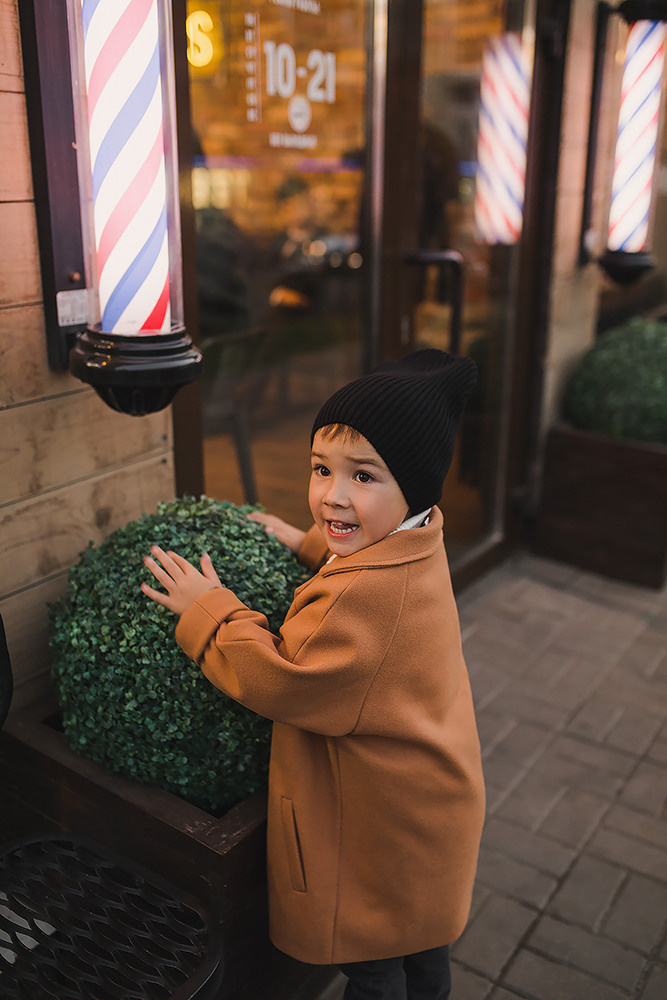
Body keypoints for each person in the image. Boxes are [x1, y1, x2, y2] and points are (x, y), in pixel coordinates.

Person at [142, 349, 486, 1000]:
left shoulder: (363, 606)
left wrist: (208, 610)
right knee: (420, 941)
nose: (332, 494)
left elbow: (279, 679)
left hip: (382, 829)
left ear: (410, 485)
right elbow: (363, 562)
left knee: (374, 965)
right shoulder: (419, 539)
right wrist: (306, 541)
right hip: (428, 805)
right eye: (321, 468)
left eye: (363, 477)